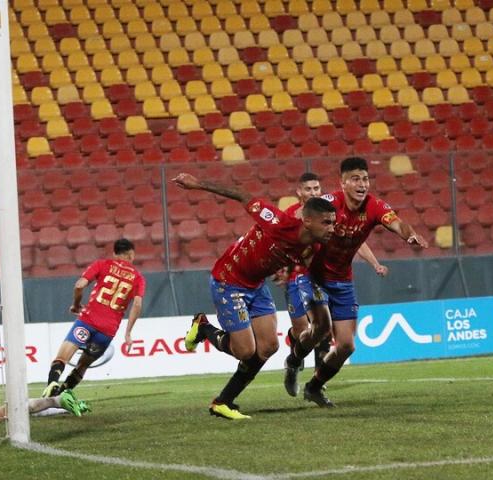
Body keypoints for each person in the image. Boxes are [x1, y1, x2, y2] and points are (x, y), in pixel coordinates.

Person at [173, 172, 336, 420]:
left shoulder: (314, 247)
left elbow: (305, 266)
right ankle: (203, 327)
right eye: (327, 223)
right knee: (246, 351)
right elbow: (242, 194)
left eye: (333, 223)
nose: (332, 229)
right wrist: (197, 185)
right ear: (308, 221)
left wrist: (287, 271)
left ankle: (223, 402)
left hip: (256, 285)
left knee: (269, 346)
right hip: (228, 280)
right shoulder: (277, 222)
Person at [287, 157, 427, 408]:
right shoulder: (330, 203)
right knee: (320, 328)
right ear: (343, 183)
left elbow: (397, 223)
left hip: (342, 281)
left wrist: (410, 235)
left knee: (347, 346)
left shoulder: (374, 206)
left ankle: (314, 387)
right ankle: (294, 360)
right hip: (315, 277)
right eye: (355, 179)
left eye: (365, 178)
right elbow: (301, 217)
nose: (362, 184)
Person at [279, 173, 388, 397]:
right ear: (299, 192)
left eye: (316, 188)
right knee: (302, 331)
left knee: (324, 328)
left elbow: (355, 240)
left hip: (322, 278)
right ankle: (294, 362)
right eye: (308, 189)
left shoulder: (332, 215)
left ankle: (318, 378)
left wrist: (375, 263)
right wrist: (280, 265)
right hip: (296, 277)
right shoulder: (291, 215)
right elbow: (279, 242)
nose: (313, 193)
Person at [43, 238, 145, 398]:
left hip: (87, 321)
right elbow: (137, 304)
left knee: (62, 358)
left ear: (114, 253)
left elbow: (79, 285)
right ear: (131, 254)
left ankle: (51, 386)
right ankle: (60, 397)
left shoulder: (102, 264)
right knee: (82, 366)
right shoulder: (138, 278)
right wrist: (128, 333)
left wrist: (76, 304)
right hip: (107, 331)